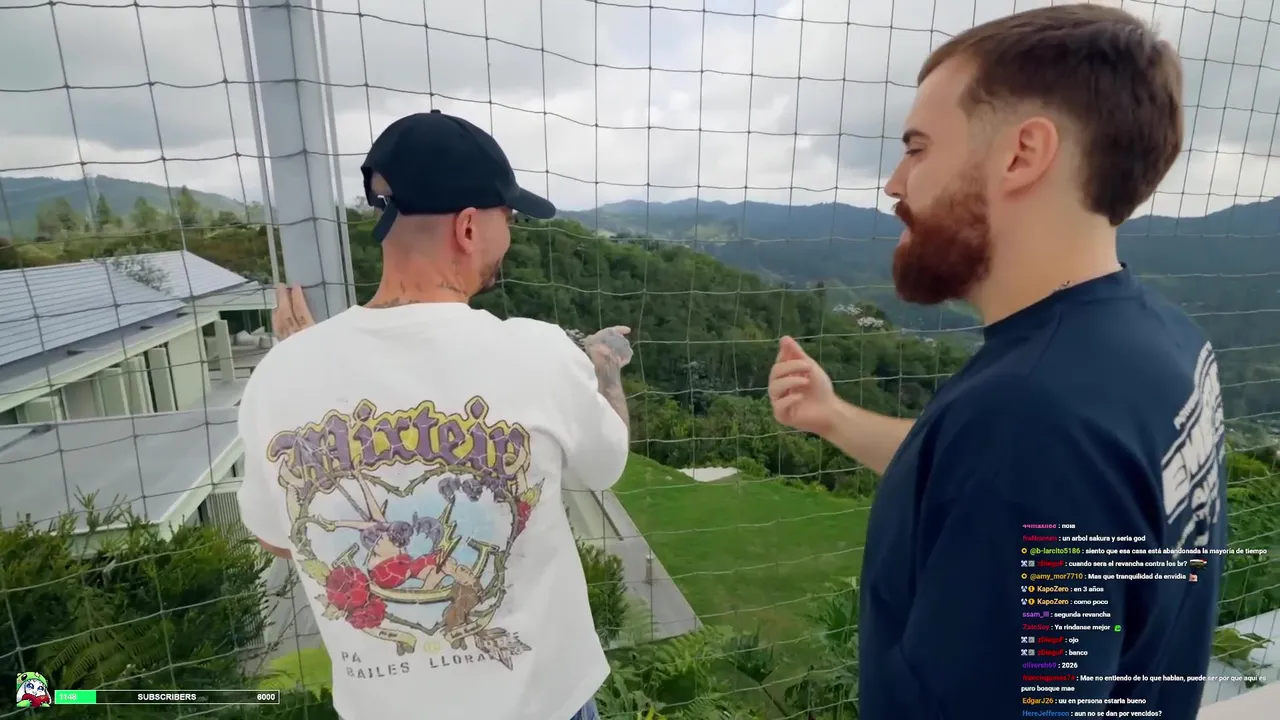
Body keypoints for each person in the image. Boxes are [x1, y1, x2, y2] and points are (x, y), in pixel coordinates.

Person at [767, 6, 1225, 719]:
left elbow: (1018, 464)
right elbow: (978, 480)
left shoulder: (1029, 417)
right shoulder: (1164, 344)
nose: (895, 183)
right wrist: (832, 418)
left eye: (917, 148)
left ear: (1022, 154)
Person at [235, 111, 632, 720]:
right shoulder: (540, 353)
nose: (510, 235)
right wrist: (604, 371)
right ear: (469, 227)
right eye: (509, 218)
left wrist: (303, 368)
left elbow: (278, 537)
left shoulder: (279, 374)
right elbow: (606, 466)